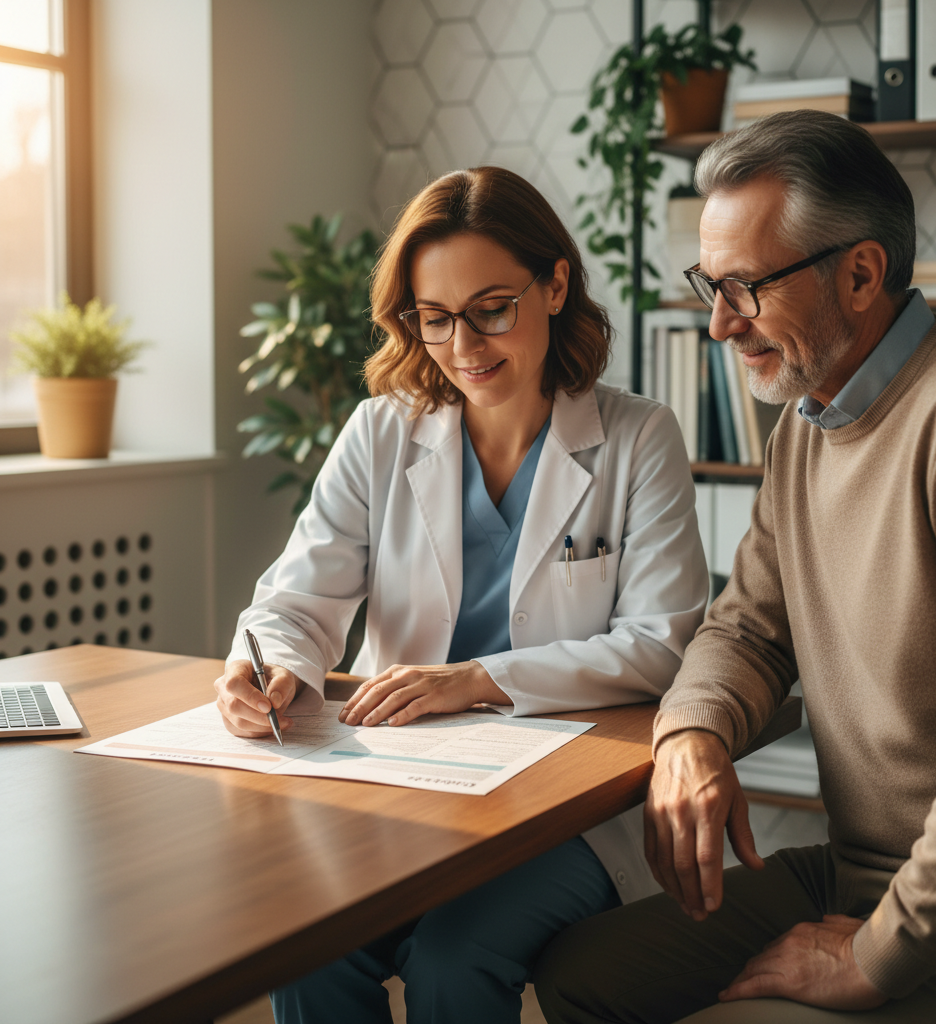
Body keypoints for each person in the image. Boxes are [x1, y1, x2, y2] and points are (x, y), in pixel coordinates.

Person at [534, 110, 936, 1023]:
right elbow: (748, 629)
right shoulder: (805, 427)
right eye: (709, 285)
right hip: (854, 870)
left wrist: (880, 957)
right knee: (580, 975)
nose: (719, 323)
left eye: (746, 287)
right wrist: (693, 733)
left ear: (863, 272)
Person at [214, 166, 708, 1024]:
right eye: (434, 318)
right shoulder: (383, 431)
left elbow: (663, 642)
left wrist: (476, 679)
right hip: (401, 783)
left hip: (566, 801)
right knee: (313, 945)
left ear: (555, 285)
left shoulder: (637, 438)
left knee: (453, 956)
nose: (465, 346)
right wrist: (273, 670)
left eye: (491, 308)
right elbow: (294, 602)